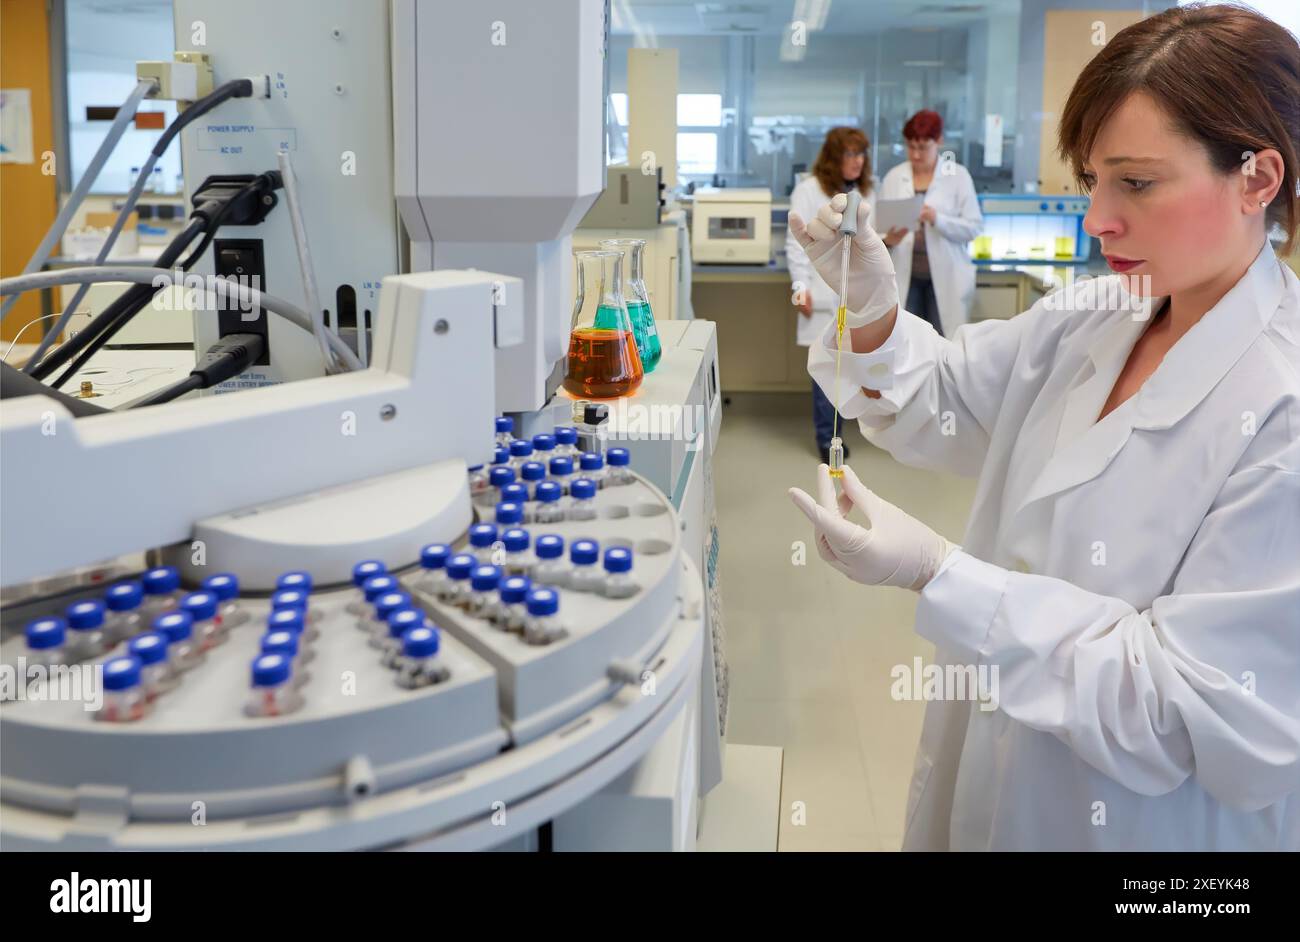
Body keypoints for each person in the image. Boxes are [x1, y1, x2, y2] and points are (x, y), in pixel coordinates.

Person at [786, 3, 1300, 850]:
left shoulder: (1279, 406)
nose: (1096, 218)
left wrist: (943, 578)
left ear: (1258, 178)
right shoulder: (1099, 313)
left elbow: (1193, 712)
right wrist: (874, 312)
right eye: (1094, 179)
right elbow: (946, 396)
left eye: (1135, 182)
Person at [786, 127, 879, 464]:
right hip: (822, 292)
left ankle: (847, 431)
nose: (857, 161)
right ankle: (827, 438)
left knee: (852, 366)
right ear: (834, 157)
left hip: (856, 294)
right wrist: (800, 287)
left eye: (861, 154)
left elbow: (871, 238)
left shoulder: (868, 190)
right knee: (827, 368)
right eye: (850, 154)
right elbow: (796, 244)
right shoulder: (808, 190)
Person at [878, 110, 982, 337]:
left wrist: (937, 219)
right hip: (905, 275)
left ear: (939, 141)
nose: (915, 155)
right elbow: (878, 230)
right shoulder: (894, 177)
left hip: (946, 278)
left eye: (923, 147)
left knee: (945, 344)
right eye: (911, 146)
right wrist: (889, 239)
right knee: (907, 342)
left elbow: (973, 227)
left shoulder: (958, 176)